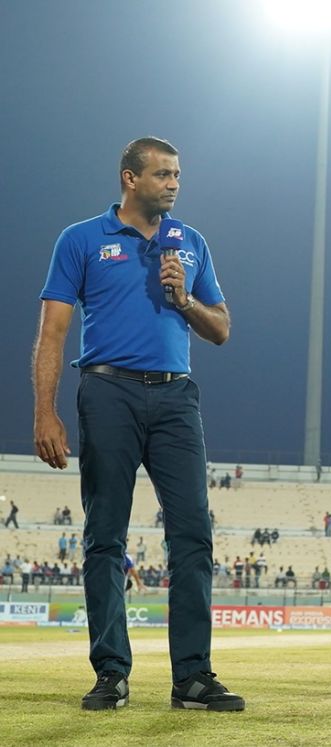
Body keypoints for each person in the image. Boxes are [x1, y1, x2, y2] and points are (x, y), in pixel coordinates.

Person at [31, 136, 242, 712]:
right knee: (105, 537)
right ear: (130, 179)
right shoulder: (81, 239)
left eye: (178, 174)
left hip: (176, 398)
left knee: (193, 535)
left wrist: (184, 301)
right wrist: (45, 410)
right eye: (164, 174)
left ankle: (193, 677)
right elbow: (52, 333)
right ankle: (111, 673)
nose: (175, 183)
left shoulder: (191, 244)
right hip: (107, 392)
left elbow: (220, 328)